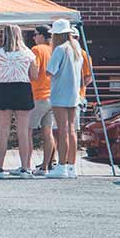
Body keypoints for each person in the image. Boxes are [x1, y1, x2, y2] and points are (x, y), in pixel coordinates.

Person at [0, 25, 39, 178]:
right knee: (23, 132)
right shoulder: (28, 53)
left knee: (3, 131)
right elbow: (35, 76)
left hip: (4, 89)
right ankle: (25, 168)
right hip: (23, 89)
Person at [45, 19, 82, 179]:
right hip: (74, 94)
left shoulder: (60, 49)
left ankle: (61, 166)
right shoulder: (76, 48)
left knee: (62, 130)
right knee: (72, 130)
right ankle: (72, 166)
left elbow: (49, 71)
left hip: (60, 93)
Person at [28, 26, 56, 173]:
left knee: (26, 130)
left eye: (35, 34)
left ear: (42, 36)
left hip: (38, 95)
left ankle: (25, 165)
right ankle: (46, 166)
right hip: (52, 96)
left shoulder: (36, 50)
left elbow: (35, 71)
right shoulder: (55, 50)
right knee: (48, 132)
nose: (33, 37)